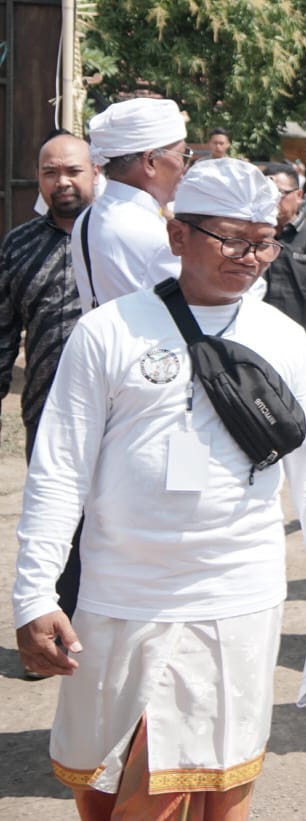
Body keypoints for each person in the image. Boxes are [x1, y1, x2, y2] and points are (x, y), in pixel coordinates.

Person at [12, 158, 306, 818]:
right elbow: (59, 470)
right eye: (231, 239)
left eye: (263, 242)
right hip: (123, 596)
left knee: (217, 781)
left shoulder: (283, 338)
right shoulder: (108, 331)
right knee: (110, 782)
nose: (249, 257)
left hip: (236, 596)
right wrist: (34, 591)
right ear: (177, 236)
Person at [1, 133, 97, 641]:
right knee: (54, 526)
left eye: (73, 171)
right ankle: (53, 637)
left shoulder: (124, 236)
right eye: (50, 172)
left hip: (120, 412)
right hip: (46, 414)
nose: (62, 182)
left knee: (117, 524)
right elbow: (3, 331)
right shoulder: (19, 245)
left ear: (95, 172)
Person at [71, 97, 189, 311]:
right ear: (151, 161)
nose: (184, 168)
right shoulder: (152, 234)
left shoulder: (88, 217)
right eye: (183, 155)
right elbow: (194, 312)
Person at [262, 162, 306, 348]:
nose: (273, 200)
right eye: (266, 194)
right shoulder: (250, 239)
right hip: (258, 345)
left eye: (280, 194)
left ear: (299, 195)